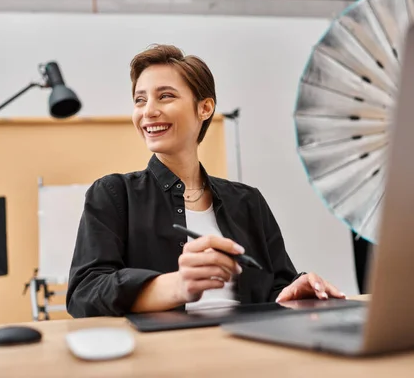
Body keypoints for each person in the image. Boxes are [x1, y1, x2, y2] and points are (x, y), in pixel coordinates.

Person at [66, 44, 345, 318]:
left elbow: (276, 288)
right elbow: (84, 294)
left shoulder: (248, 202)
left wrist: (297, 290)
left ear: (205, 108)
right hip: (160, 357)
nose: (148, 111)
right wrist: (177, 285)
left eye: (165, 96)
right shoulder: (114, 195)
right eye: (140, 100)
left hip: (249, 351)